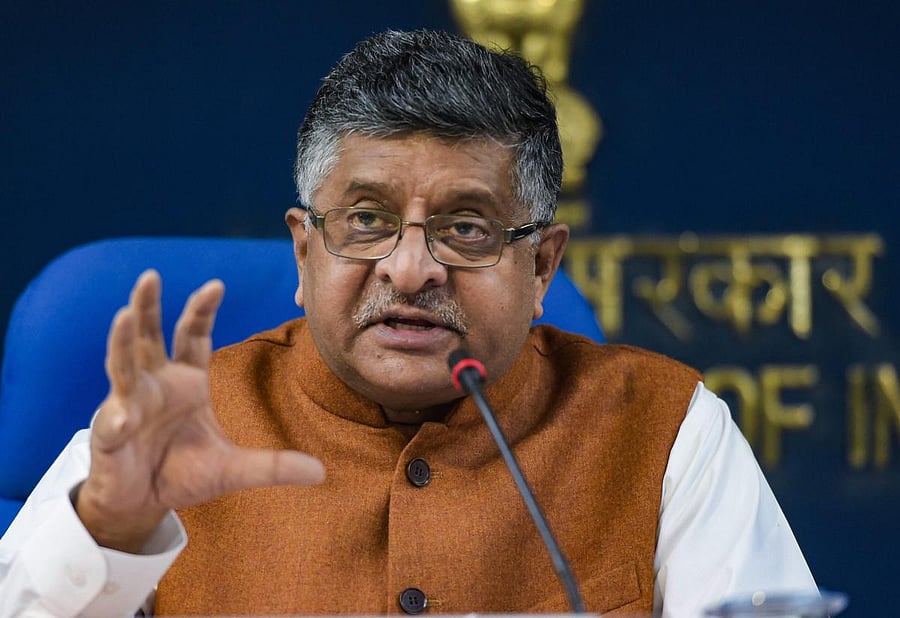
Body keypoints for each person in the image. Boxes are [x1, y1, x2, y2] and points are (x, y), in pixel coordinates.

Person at [0, 29, 816, 617]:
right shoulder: (176, 429)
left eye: (466, 228)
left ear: (542, 268)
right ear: (302, 251)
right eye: (365, 220)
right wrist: (104, 530)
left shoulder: (665, 427)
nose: (411, 268)